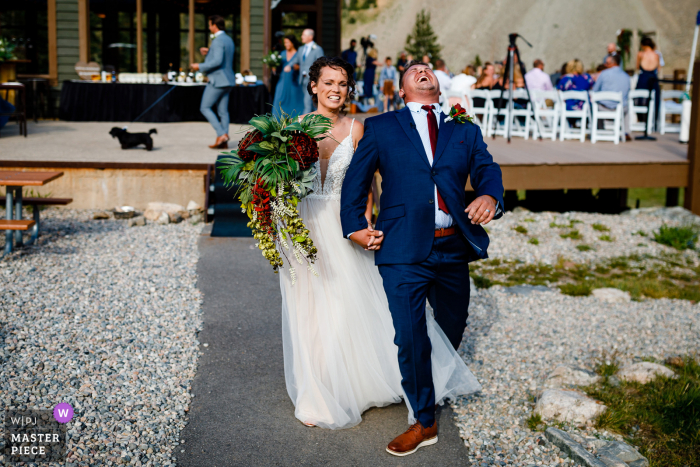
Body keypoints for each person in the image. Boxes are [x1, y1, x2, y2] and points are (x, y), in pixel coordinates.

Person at [279, 56, 481, 433]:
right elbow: (281, 182)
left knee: (344, 306)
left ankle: (359, 382)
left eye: (342, 83)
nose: (335, 90)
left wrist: (367, 221)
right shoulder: (292, 131)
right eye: (328, 83)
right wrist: (277, 218)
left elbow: (366, 180)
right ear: (313, 87)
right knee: (307, 310)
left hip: (344, 228)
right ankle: (318, 392)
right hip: (304, 226)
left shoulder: (358, 128)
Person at [341, 60, 504, 456]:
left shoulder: (463, 126)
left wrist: (489, 196)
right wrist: (353, 226)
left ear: (437, 84)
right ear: (402, 90)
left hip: (452, 246)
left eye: (429, 68)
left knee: (451, 325)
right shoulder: (382, 127)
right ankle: (424, 419)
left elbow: (486, 167)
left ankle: (427, 385)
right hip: (401, 247)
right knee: (411, 334)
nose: (423, 70)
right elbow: (356, 181)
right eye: (414, 69)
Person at [190, 15, 236, 149]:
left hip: (218, 80)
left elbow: (217, 61)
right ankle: (224, 140)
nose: (209, 27)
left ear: (214, 25)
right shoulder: (228, 39)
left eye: (210, 25)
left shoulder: (217, 40)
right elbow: (223, 57)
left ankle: (222, 134)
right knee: (223, 111)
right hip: (228, 80)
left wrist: (199, 66)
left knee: (204, 107)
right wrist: (209, 51)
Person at [286, 28, 325, 114]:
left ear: (310, 37)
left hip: (312, 79)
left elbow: (322, 64)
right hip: (302, 79)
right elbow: (296, 59)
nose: (301, 37)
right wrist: (289, 65)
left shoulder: (317, 49)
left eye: (303, 35)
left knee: (307, 101)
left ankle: (304, 121)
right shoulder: (301, 49)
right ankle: (315, 117)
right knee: (310, 100)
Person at [593, 53, 631, 140]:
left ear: (613, 63)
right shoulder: (626, 76)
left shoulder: (603, 74)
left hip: (604, 107)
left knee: (594, 104)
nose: (605, 65)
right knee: (627, 108)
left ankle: (599, 130)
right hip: (620, 108)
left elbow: (595, 91)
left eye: (607, 63)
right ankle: (626, 132)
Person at [272, 35, 304, 118]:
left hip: (294, 80)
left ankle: (294, 121)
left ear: (292, 43)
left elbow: (303, 66)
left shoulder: (298, 53)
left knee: (294, 101)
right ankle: (278, 122)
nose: (285, 44)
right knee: (278, 100)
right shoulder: (282, 53)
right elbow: (278, 68)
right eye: (284, 43)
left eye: (287, 42)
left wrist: (296, 67)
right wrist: (274, 67)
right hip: (282, 80)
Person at [636, 36, 661, 131]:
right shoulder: (656, 55)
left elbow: (637, 67)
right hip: (653, 78)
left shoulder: (641, 54)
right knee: (654, 99)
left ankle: (642, 119)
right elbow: (658, 69)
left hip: (643, 78)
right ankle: (653, 120)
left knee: (640, 99)